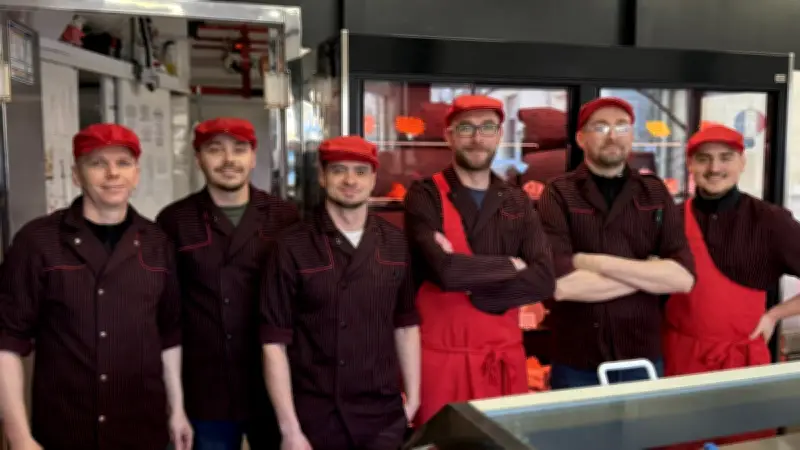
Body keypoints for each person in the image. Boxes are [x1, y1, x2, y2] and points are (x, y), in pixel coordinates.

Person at [0, 123, 192, 450]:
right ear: (76, 175)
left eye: (123, 163)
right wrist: (19, 436)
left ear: (136, 174)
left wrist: (177, 410)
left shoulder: (158, 243)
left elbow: (170, 336)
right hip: (65, 428)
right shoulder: (38, 241)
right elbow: (7, 342)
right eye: (97, 163)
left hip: (141, 427)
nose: (112, 173)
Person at [260, 136, 421, 450]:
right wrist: (290, 429)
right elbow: (273, 342)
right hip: (314, 415)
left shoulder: (395, 242)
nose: (350, 180)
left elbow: (406, 324)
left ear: (374, 179)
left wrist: (413, 400)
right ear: (322, 177)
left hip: (383, 415)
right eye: (339, 171)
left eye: (361, 172)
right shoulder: (291, 246)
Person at [404, 95, 556, 425]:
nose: (477, 138)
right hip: (443, 363)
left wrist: (480, 293)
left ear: (499, 134)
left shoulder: (516, 200)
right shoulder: (424, 195)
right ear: (448, 135)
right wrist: (511, 266)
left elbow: (544, 278)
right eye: (466, 128)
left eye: (487, 127)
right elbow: (444, 271)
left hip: (502, 361)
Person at [156, 117, 299, 450]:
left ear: (253, 156)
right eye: (215, 150)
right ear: (198, 159)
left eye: (239, 149)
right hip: (204, 389)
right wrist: (173, 403)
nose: (229, 160)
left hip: (273, 387)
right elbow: (166, 314)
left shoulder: (284, 217)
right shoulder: (174, 221)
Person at [537, 97, 695, 389]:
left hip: (642, 358)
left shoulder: (654, 192)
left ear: (632, 135)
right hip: (576, 361)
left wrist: (592, 262)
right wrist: (649, 275)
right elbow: (558, 285)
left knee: (642, 437)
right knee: (578, 437)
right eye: (600, 126)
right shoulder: (557, 194)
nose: (612, 135)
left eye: (621, 127)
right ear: (581, 138)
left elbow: (683, 278)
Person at [662, 125, 800, 447]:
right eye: (704, 159)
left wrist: (774, 315)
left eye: (725, 158)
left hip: (742, 362)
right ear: (690, 165)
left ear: (742, 162)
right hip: (679, 358)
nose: (714, 168)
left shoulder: (771, 221)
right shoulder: (669, 219)